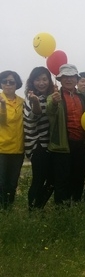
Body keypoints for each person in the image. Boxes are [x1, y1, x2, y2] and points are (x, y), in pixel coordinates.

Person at [46, 64, 85, 205]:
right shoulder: (54, 96)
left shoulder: (82, 97)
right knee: (62, 179)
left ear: (77, 79)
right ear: (60, 79)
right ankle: (61, 210)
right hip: (62, 145)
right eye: (65, 77)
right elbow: (49, 112)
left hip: (80, 144)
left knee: (79, 176)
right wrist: (54, 102)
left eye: (72, 76)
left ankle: (75, 205)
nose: (69, 79)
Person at [23, 67, 53, 209]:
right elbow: (33, 117)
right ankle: (33, 209)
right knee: (39, 179)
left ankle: (38, 207)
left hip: (49, 145)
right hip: (37, 145)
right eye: (37, 79)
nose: (41, 83)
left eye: (44, 79)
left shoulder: (50, 97)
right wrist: (35, 101)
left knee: (52, 178)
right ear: (32, 82)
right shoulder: (30, 98)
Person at [0, 70, 25, 208]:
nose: (8, 84)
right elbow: (2, 121)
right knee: (1, 183)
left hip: (18, 149)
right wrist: (3, 105)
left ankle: (8, 209)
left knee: (12, 183)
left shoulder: (22, 102)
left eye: (12, 82)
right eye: (4, 81)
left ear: (17, 84)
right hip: (2, 148)